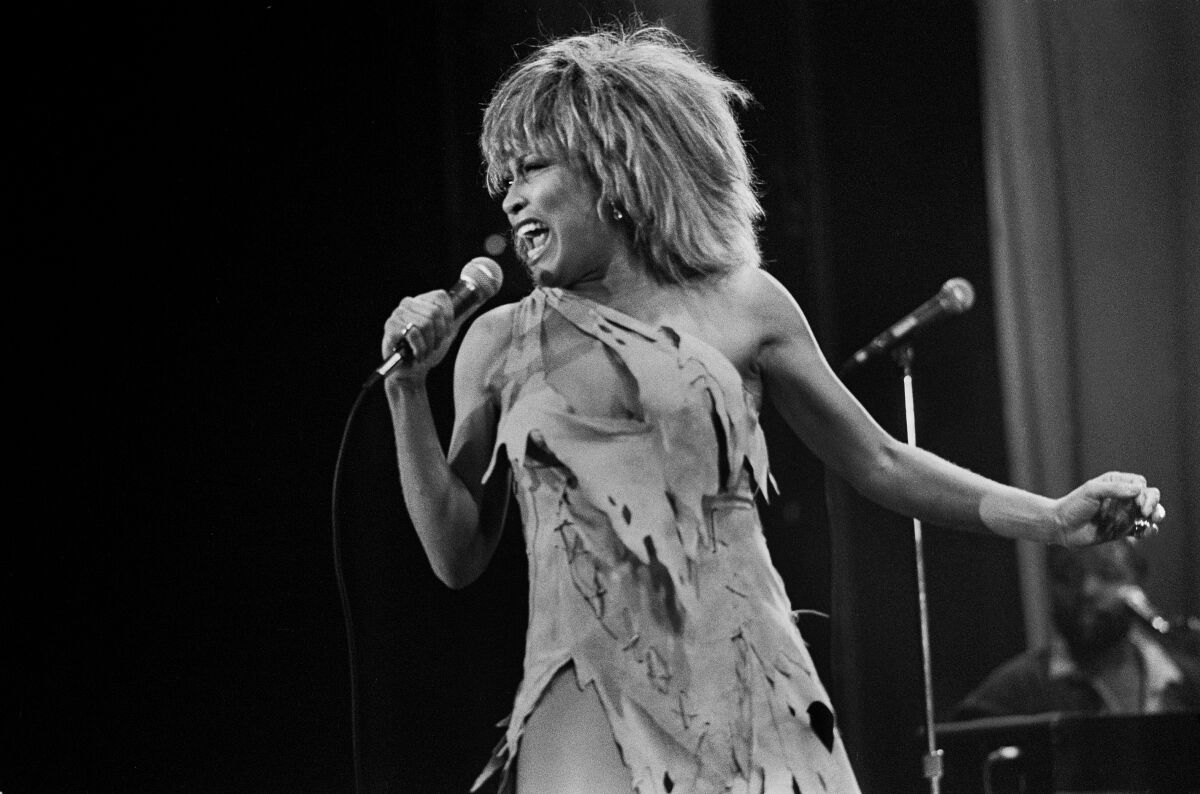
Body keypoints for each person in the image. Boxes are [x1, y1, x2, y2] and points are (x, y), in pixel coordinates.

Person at [380, 22, 1166, 794]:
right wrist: (407, 390)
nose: (512, 198)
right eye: (505, 178)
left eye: (532, 168)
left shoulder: (743, 306)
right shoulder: (496, 343)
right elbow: (455, 556)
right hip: (586, 700)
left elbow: (881, 460)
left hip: (747, 683)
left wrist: (1053, 518)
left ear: (611, 168)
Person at [951, 541, 1200, 720]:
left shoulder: (1187, 681)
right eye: (1067, 576)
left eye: (1107, 574)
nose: (1086, 590)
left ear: (1137, 582)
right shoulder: (1009, 694)